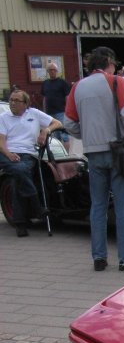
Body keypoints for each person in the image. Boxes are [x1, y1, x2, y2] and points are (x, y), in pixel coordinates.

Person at [64, 46, 124, 272]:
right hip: (117, 151)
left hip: (92, 152)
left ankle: (99, 257)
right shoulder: (116, 82)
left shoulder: (77, 87)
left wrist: (86, 135)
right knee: (123, 206)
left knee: (97, 206)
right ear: (109, 63)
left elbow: (69, 123)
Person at [0, 90, 62, 237]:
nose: (12, 103)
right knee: (20, 171)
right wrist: (9, 154)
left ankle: (20, 222)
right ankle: (37, 206)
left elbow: (58, 123)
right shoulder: (3, 117)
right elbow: (1, 142)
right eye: (11, 100)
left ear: (26, 104)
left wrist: (45, 130)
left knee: (18, 177)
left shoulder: (33, 114)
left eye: (16, 100)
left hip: (28, 154)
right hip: (6, 153)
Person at [40, 62, 72, 143]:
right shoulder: (45, 83)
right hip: (50, 113)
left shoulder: (62, 82)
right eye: (50, 70)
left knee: (64, 134)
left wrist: (67, 110)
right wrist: (44, 111)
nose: (52, 71)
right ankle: (59, 154)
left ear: (57, 71)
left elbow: (67, 97)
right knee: (54, 135)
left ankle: (67, 154)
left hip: (61, 112)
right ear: (48, 71)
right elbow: (44, 98)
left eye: (54, 70)